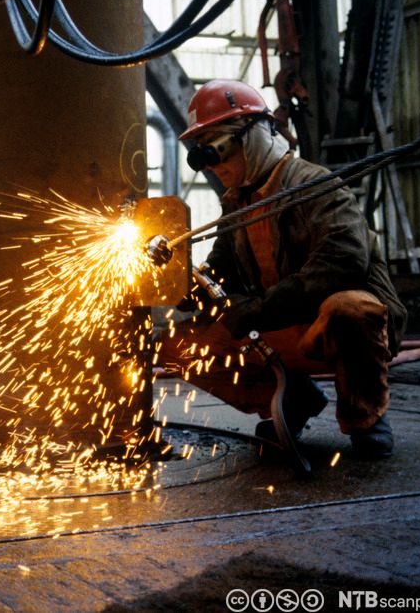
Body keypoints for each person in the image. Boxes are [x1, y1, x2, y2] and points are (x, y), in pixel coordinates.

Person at [159, 79, 406, 459]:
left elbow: (342, 263)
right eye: (204, 152)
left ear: (255, 134)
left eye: (219, 147)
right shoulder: (238, 204)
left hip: (332, 329)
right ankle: (289, 397)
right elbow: (221, 271)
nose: (216, 164)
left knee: (351, 308)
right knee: (174, 344)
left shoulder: (317, 185)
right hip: (279, 331)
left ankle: (364, 415)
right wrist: (186, 285)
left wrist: (257, 310)